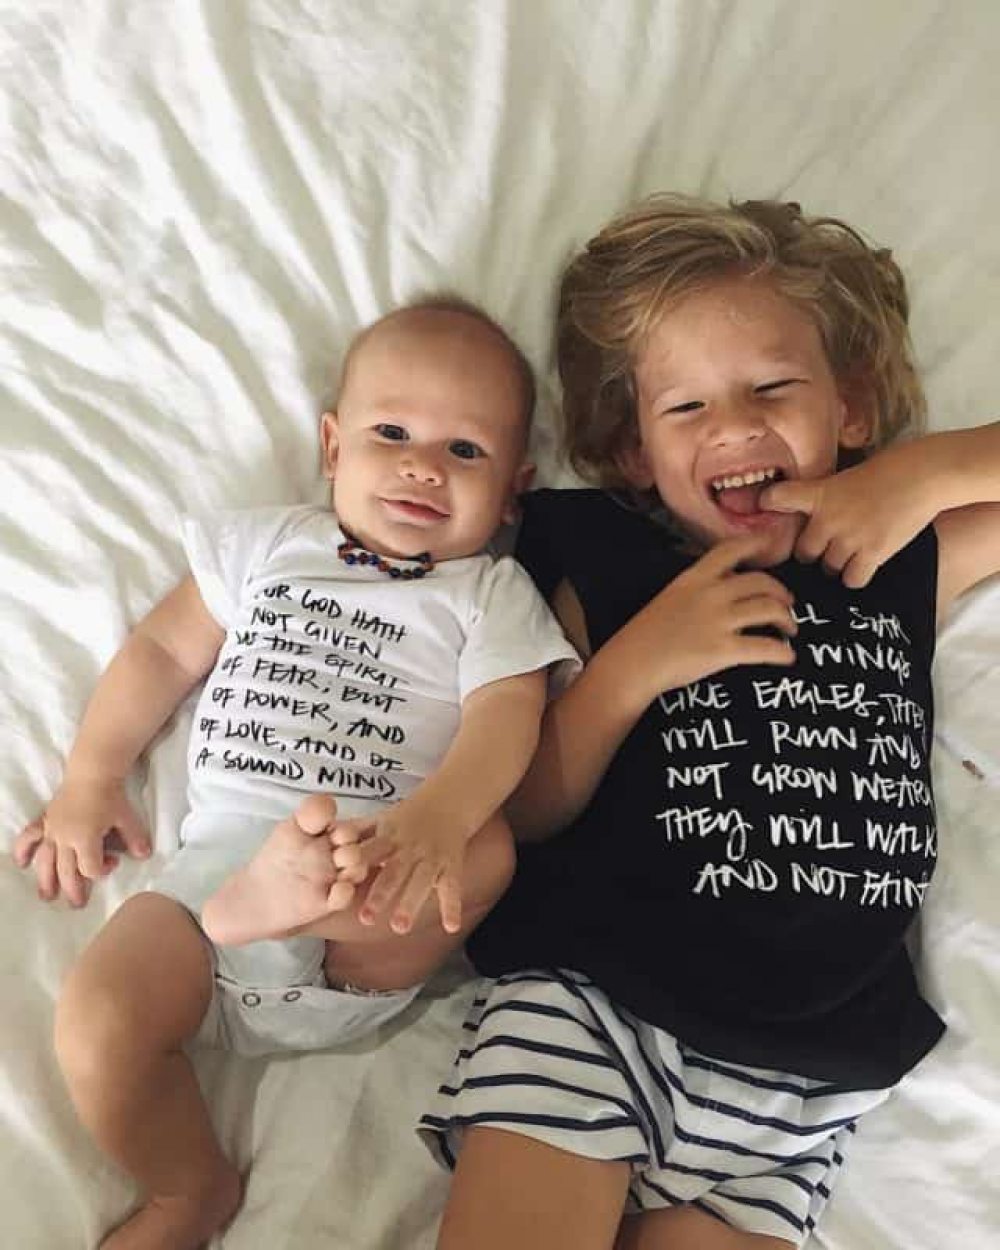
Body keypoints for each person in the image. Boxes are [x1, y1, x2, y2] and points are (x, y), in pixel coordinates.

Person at [413, 197, 1000, 1250]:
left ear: (851, 408)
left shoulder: (896, 554)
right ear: (633, 450)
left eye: (772, 389)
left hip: (809, 1069)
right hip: (600, 1006)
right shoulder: (604, 563)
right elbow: (525, 806)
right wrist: (637, 663)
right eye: (685, 407)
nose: (733, 427)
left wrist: (925, 472)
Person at [13, 298, 578, 1250]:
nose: (423, 466)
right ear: (332, 446)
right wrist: (90, 778)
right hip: (212, 891)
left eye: (465, 451)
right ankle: (187, 1190)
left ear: (514, 491)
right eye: (391, 434)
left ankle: (291, 907)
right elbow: (162, 650)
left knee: (488, 851)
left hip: (371, 904)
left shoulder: (489, 592)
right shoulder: (272, 545)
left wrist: (440, 817)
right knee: (98, 1015)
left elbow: (507, 715)